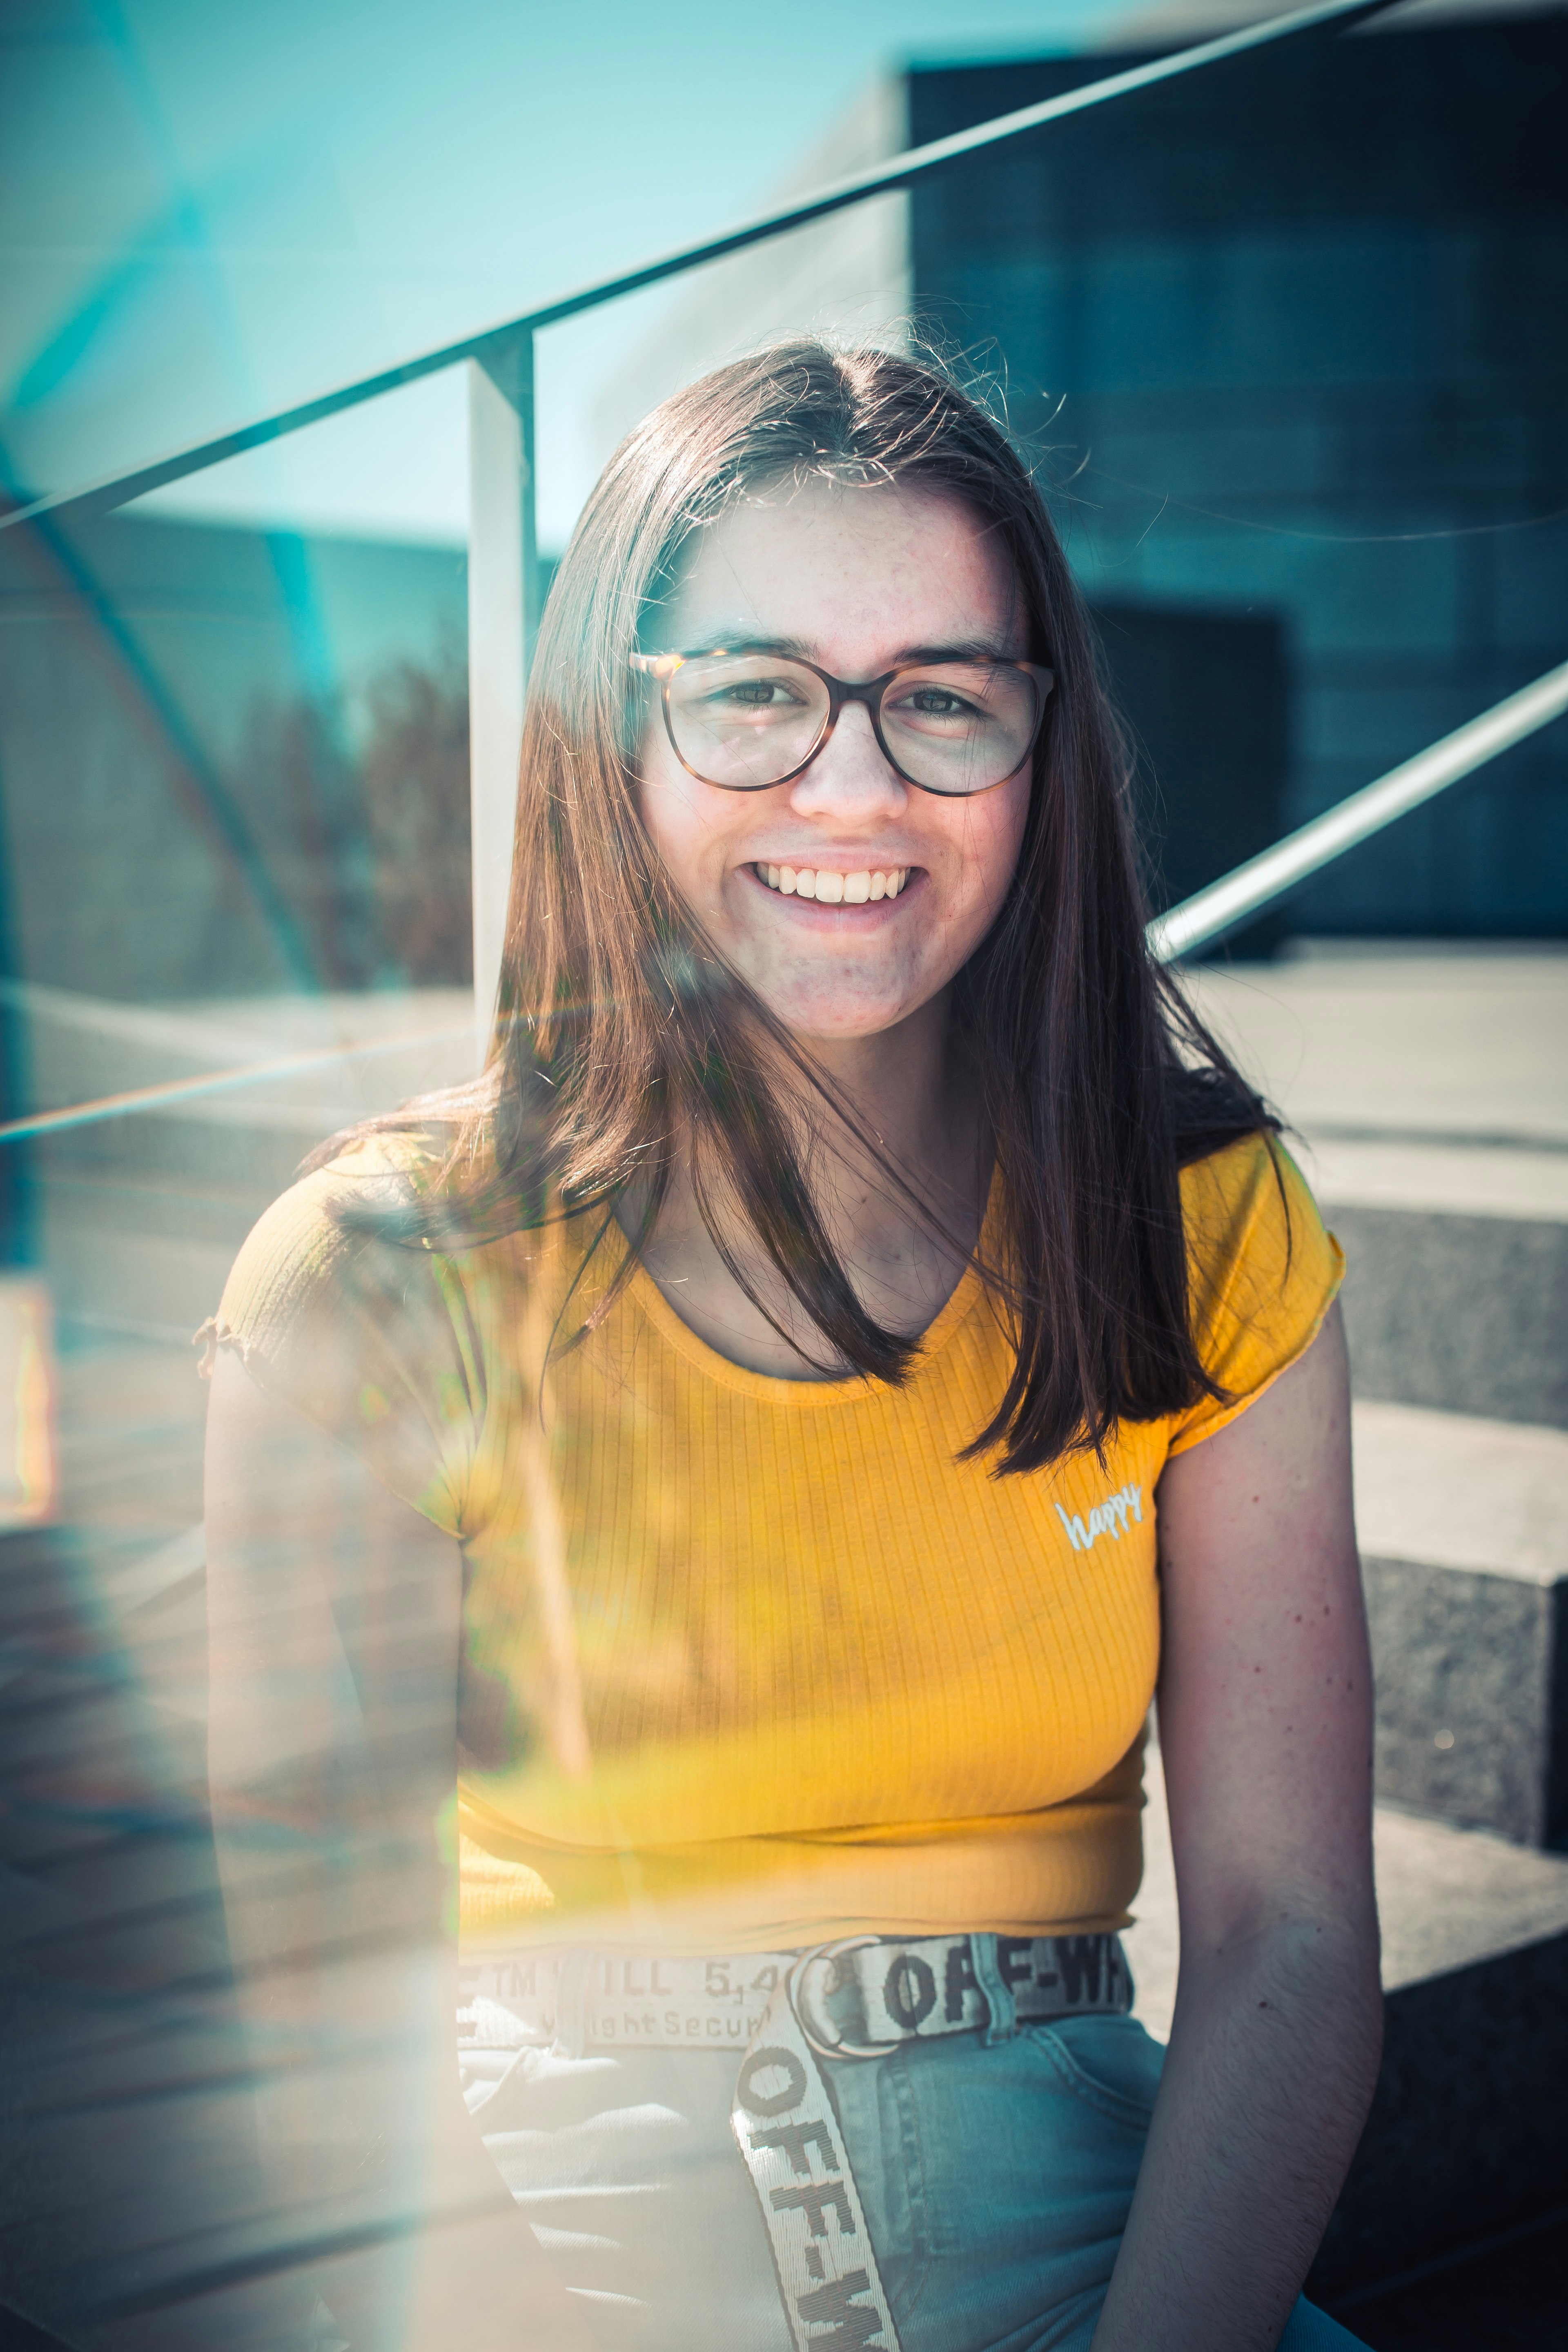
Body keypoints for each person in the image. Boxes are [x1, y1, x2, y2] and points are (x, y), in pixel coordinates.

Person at [203, 343, 1382, 2352]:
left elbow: (1289, 1936)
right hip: (557, 2227)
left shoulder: (1209, 1228)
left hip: (1096, 2220)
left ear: (1039, 742)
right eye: (755, 692)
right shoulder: (376, 1275)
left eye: (941, 697)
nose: (853, 787)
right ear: (614, 740)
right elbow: (325, 2031)